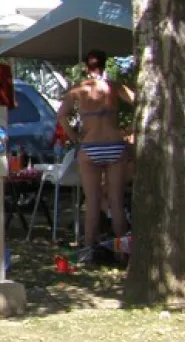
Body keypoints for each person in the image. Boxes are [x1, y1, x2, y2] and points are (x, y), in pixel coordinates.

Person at [57, 49, 136, 263]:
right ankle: (123, 253)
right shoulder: (113, 87)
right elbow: (142, 104)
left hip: (90, 145)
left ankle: (88, 252)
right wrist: (128, 130)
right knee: (116, 201)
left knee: (92, 201)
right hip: (114, 144)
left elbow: (61, 114)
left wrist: (74, 137)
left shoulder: (79, 89)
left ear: (85, 67)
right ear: (105, 65)